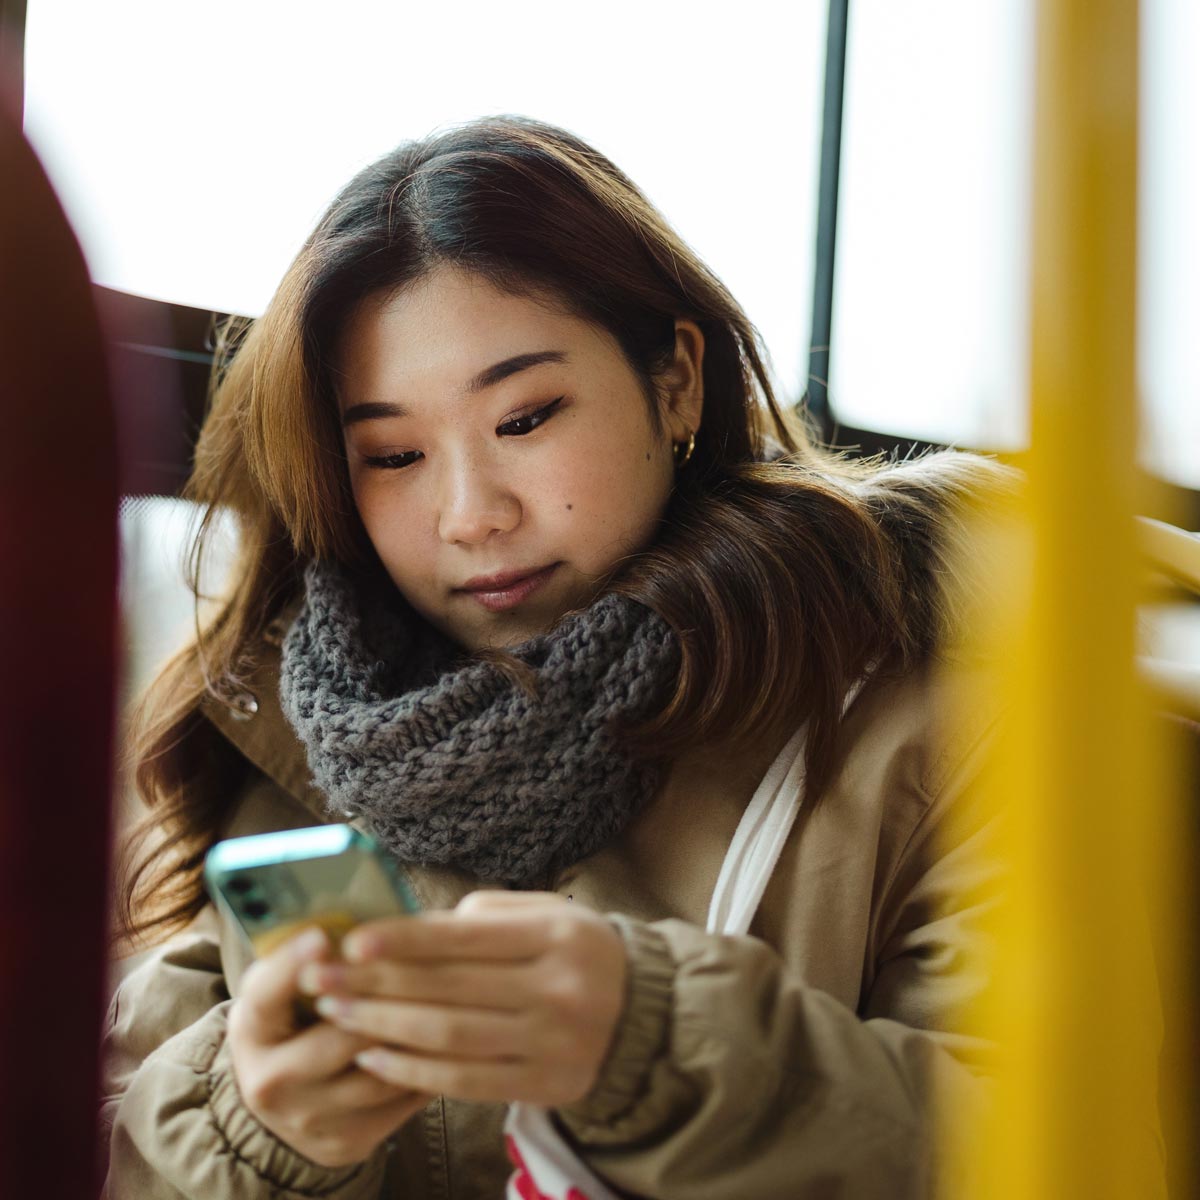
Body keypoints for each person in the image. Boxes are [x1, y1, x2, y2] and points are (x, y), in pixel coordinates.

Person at [101, 114, 1016, 1199]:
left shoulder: (949, 712)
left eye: (526, 418)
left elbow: (1065, 1138)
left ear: (676, 379)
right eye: (392, 455)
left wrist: (655, 1048)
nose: (470, 514)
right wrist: (254, 1131)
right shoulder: (299, 748)